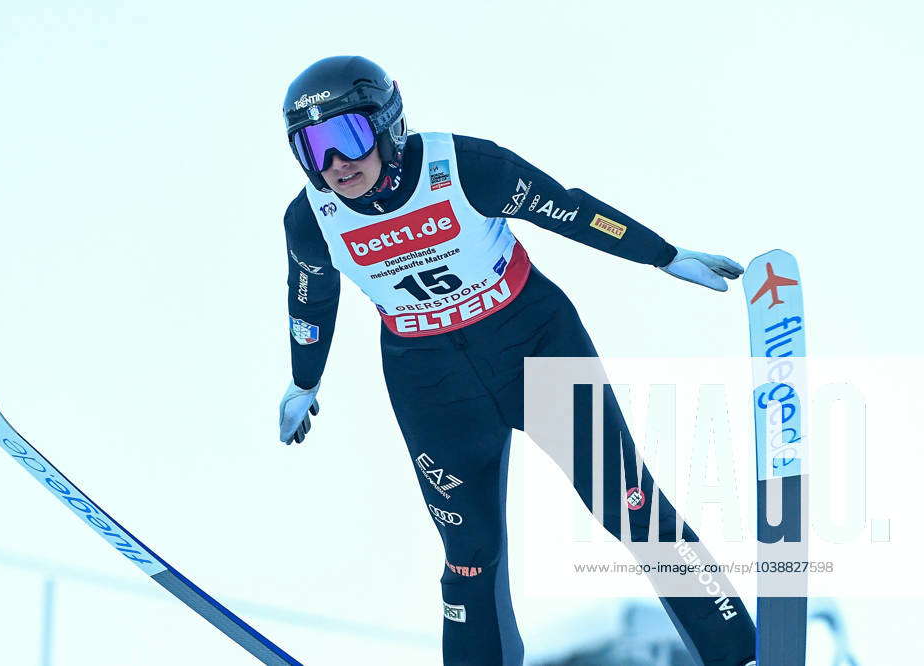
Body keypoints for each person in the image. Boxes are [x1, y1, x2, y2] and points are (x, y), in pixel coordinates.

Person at [278, 55, 757, 666]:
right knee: (467, 553)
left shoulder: (465, 167)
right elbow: (309, 298)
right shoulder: (309, 219)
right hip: (431, 382)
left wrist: (660, 255)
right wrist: (303, 380)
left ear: (388, 124)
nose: (335, 164)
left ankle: (738, 652)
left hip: (533, 344)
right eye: (312, 148)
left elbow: (572, 210)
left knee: (630, 502)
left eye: (348, 137)